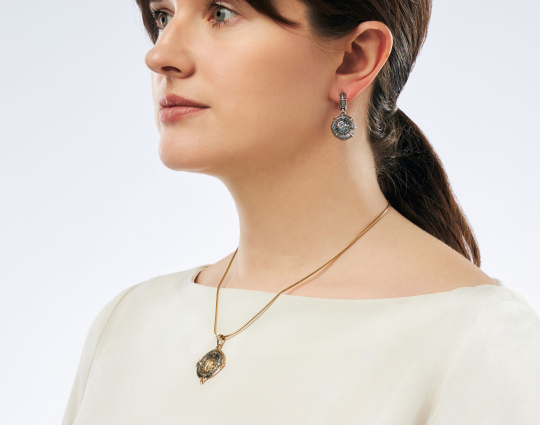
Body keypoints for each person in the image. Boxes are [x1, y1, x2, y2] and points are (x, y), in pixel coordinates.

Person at [62, 0, 540, 423]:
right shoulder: (127, 323)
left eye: (221, 13)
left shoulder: (481, 344)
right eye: (163, 16)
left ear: (355, 57)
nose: (159, 54)